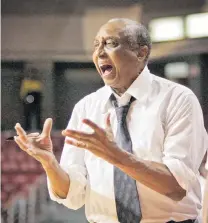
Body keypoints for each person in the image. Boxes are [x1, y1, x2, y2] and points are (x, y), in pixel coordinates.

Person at [14, 18, 208, 223]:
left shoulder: (177, 99)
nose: (100, 52)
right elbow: (73, 195)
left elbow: (176, 187)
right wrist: (50, 163)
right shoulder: (86, 107)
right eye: (96, 45)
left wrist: (117, 156)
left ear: (141, 53)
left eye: (111, 43)